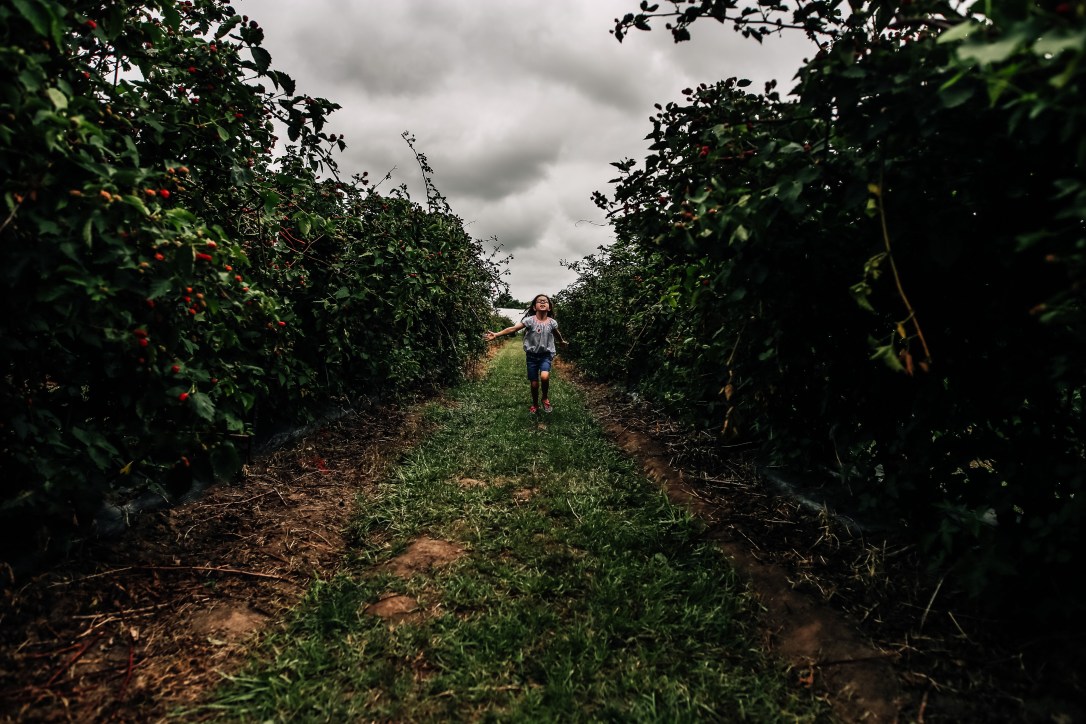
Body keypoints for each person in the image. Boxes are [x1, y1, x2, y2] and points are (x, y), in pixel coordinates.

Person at [485, 293, 568, 415]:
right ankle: (535, 404)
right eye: (539, 301)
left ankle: (544, 397)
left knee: (545, 376)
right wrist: (497, 334)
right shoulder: (529, 321)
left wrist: (561, 341)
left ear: (549, 307)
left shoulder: (552, 322)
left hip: (546, 354)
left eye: (545, 301)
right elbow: (513, 328)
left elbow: (556, 333)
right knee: (534, 384)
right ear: (534, 307)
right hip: (532, 356)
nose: (543, 302)